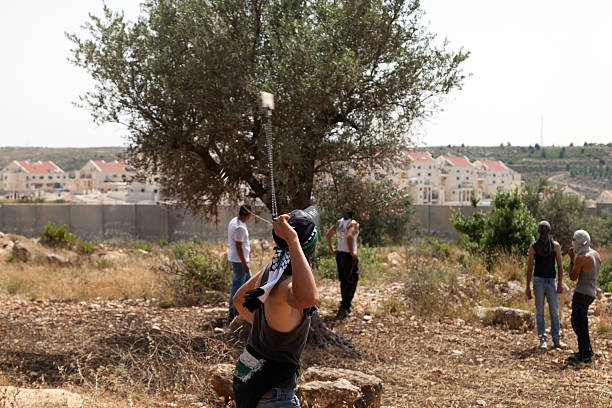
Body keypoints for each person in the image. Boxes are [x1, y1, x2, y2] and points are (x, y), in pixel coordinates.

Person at [232, 206, 320, 408]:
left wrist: (269, 331)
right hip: (271, 390)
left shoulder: (271, 273)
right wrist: (293, 241)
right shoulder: (285, 285)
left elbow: (239, 300)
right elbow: (309, 298)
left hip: (248, 375)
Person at [525, 220, 566, 349]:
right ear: (539, 231)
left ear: (549, 231)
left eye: (545, 230)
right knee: (540, 312)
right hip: (538, 281)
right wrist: (527, 287)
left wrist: (560, 283)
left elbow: (560, 265)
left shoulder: (555, 246)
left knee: (554, 311)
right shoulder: (533, 247)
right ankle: (542, 339)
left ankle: (556, 339)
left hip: (551, 281)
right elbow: (530, 267)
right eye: (542, 230)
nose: (543, 233)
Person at [567, 229, 601, 363]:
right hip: (591, 293)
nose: (573, 243)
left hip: (581, 293)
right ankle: (586, 349)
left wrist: (571, 260)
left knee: (578, 323)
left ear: (580, 242)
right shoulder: (596, 254)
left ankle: (584, 354)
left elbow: (572, 277)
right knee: (581, 322)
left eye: (574, 240)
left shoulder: (581, 258)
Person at [326, 211, 360, 319]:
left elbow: (328, 234)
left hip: (339, 254)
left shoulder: (339, 223)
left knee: (344, 281)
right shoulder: (353, 224)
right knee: (352, 280)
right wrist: (352, 252)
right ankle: (345, 308)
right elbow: (350, 236)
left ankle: (345, 305)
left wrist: (332, 249)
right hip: (348, 256)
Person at [228, 205, 252, 319]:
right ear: (248, 214)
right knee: (238, 286)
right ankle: (232, 312)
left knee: (250, 284)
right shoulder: (240, 228)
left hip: (239, 260)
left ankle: (247, 310)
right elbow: (239, 247)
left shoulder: (234, 221)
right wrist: (244, 264)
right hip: (240, 261)